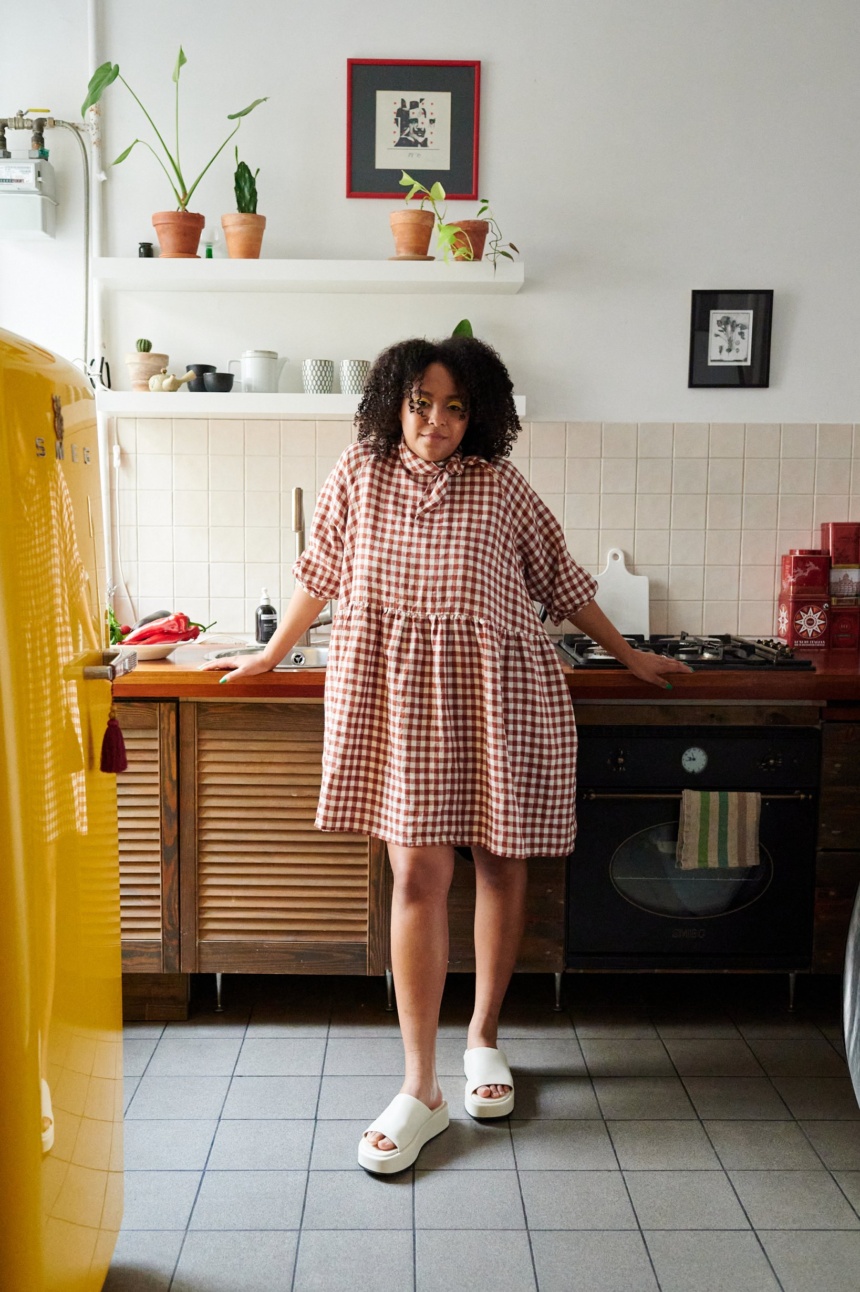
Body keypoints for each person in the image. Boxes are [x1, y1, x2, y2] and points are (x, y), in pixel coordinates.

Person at [201, 336, 691, 1174]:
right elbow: (319, 573)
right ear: (393, 403)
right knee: (419, 875)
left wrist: (630, 654)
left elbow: (566, 585)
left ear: (481, 414)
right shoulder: (358, 474)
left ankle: (484, 1038)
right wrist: (276, 651)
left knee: (502, 865)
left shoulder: (500, 487)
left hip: (499, 698)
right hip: (399, 705)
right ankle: (421, 1084)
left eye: (456, 407)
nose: (436, 420)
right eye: (421, 402)